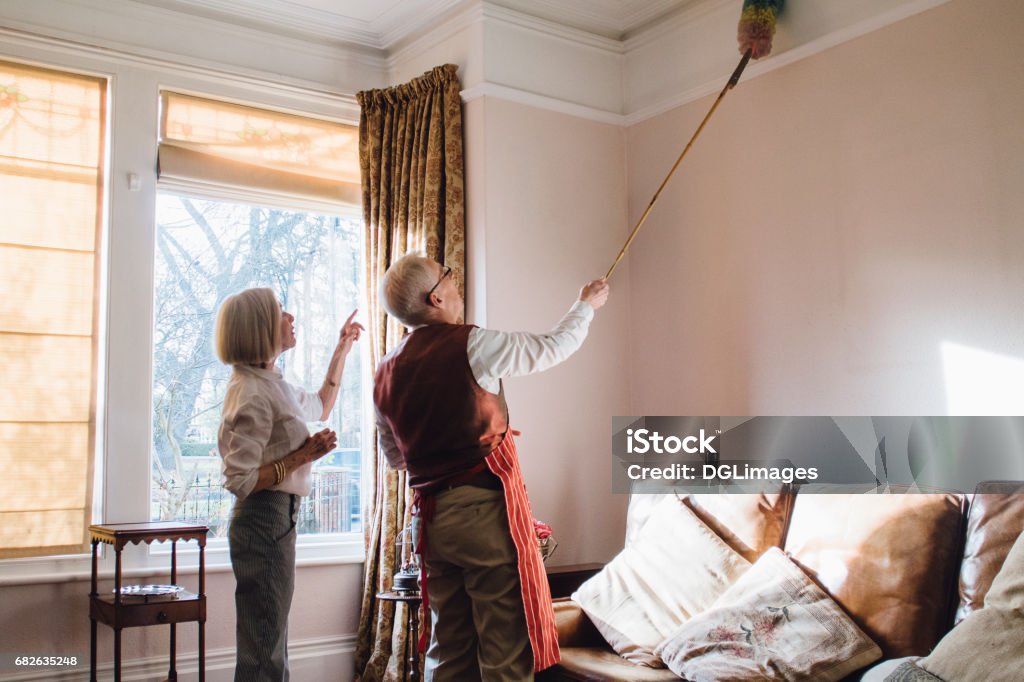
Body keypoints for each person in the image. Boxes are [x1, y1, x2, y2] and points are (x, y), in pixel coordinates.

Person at [373, 254, 609, 681]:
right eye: (447, 274)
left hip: (430, 521)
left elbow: (396, 458)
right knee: (504, 649)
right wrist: (585, 306)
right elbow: (552, 347)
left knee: (449, 649)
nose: (455, 279)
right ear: (436, 296)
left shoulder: (383, 373)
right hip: (481, 516)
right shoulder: (471, 345)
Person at [215, 287, 363, 682]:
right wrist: (304, 456)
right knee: (264, 645)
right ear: (261, 327)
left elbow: (320, 405)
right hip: (263, 518)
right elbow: (241, 480)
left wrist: (342, 348)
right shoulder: (252, 393)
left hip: (279, 519)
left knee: (270, 638)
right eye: (281, 311)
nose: (291, 316)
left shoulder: (269, 382)